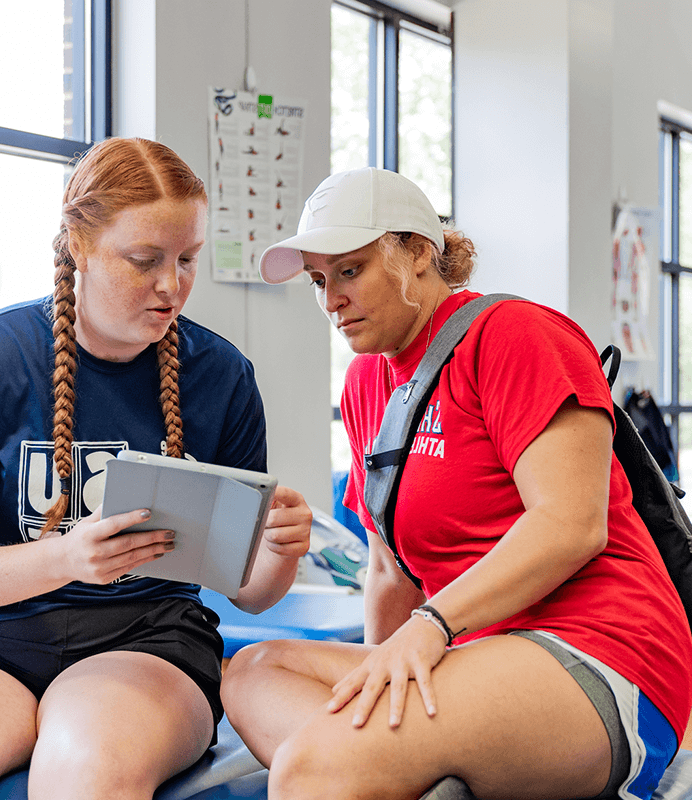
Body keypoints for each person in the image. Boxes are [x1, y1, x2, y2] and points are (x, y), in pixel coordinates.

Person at [221, 166, 692, 800]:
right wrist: (381, 670)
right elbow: (390, 572)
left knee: (316, 766)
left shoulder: (517, 336)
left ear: (418, 252)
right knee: (254, 671)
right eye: (318, 280)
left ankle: (381, 769)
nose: (330, 298)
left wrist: (431, 624)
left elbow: (571, 524)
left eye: (350, 271)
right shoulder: (367, 385)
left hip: (599, 650)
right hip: (467, 654)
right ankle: (412, 772)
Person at [0, 137, 311, 800]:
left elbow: (249, 591)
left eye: (187, 259)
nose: (171, 285)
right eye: (144, 260)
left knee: (84, 771)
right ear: (79, 246)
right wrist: (66, 559)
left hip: (148, 640)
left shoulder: (222, 376)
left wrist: (281, 553)